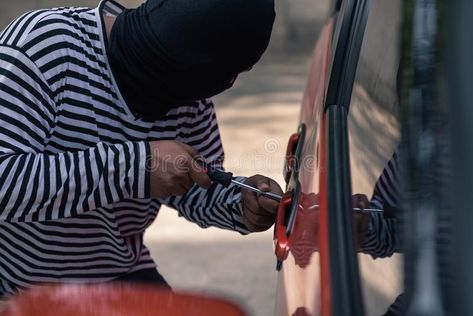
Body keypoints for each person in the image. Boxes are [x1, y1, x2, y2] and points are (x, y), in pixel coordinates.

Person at [0, 0, 281, 296]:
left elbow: (197, 185)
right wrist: (137, 167)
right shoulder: (44, 46)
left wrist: (242, 204)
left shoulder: (189, 89)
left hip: (116, 275)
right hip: (14, 283)